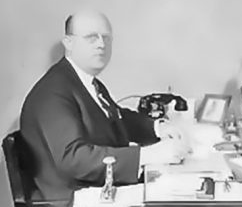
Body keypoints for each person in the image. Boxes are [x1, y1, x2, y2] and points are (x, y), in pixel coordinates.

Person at [20, 10, 189, 207]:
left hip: (96, 186)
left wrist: (157, 128)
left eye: (106, 38)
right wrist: (149, 155)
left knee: (177, 190)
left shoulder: (85, 82)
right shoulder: (53, 92)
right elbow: (74, 158)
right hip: (72, 197)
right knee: (174, 198)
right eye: (91, 37)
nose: (101, 44)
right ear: (68, 43)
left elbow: (117, 117)